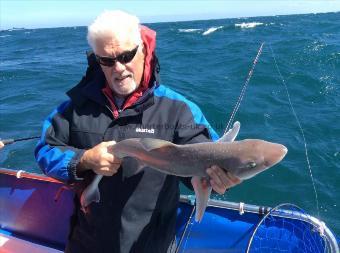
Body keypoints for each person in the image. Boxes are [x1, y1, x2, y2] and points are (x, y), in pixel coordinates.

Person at [35, 10, 241, 253]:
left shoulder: (179, 109)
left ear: (144, 49)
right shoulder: (74, 108)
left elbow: (206, 156)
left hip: (153, 245)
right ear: (97, 60)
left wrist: (217, 177)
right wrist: (84, 160)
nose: (119, 68)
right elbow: (45, 150)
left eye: (126, 55)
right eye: (107, 60)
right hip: (86, 243)